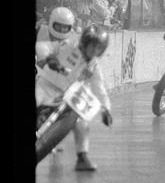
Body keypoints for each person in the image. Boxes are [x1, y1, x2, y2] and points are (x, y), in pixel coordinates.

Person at [35, 24, 113, 171]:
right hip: (46, 85)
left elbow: (99, 88)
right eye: (92, 46)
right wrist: (50, 59)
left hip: (66, 97)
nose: (94, 51)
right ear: (84, 42)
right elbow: (44, 47)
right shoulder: (69, 44)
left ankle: (82, 158)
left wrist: (106, 109)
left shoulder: (93, 66)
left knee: (82, 123)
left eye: (98, 48)